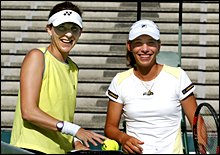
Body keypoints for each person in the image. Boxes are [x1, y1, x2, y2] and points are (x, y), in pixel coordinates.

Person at [10, 1, 107, 154]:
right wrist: (75, 130)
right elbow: (29, 111)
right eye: (61, 27)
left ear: (80, 32)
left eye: (74, 29)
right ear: (49, 29)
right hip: (30, 149)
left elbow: (59, 116)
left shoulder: (73, 68)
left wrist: (75, 142)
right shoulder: (37, 56)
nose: (68, 34)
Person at [104, 19, 198, 154]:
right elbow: (110, 127)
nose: (145, 49)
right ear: (129, 47)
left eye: (151, 43)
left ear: (159, 46)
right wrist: (123, 138)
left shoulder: (178, 76)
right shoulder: (119, 81)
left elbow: (197, 122)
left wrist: (202, 149)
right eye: (138, 43)